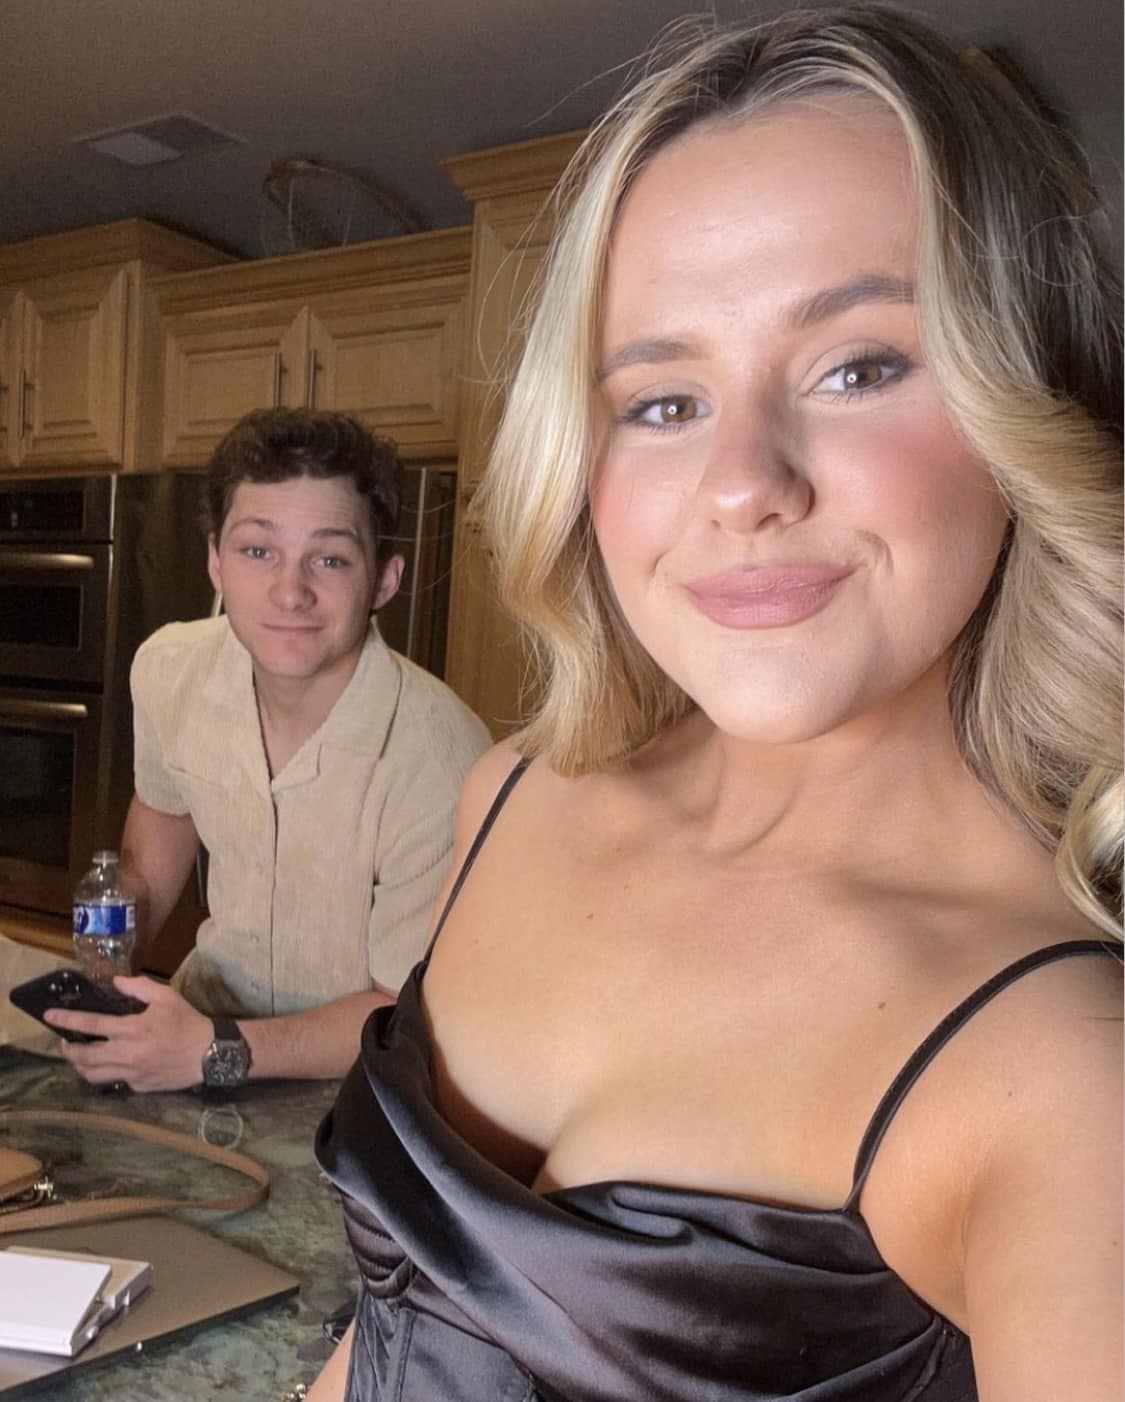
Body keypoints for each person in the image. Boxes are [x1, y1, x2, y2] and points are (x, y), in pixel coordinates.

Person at [311, 8, 1122, 1400]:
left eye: (859, 366)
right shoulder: (509, 796)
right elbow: (402, 1321)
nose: (743, 484)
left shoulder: (1064, 1064)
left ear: (1026, 399)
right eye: (663, 401)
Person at [47, 409, 490, 1092]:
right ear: (215, 562)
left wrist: (212, 1050)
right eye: (258, 551)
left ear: (384, 579)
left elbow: (404, 1015)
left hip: (353, 1089)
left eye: (330, 559)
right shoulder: (169, 671)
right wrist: (109, 981)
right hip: (197, 1023)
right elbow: (161, 826)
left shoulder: (443, 761)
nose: (290, 591)